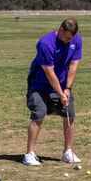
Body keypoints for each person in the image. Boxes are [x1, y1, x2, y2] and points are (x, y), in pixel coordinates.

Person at [24, 18, 82, 166]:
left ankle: (68, 152)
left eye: (72, 38)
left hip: (63, 84)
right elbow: (49, 73)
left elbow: (74, 65)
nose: (69, 41)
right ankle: (29, 154)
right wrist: (60, 93)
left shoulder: (76, 40)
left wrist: (67, 89)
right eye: (67, 37)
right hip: (39, 84)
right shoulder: (45, 43)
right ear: (61, 30)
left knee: (69, 114)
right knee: (39, 114)